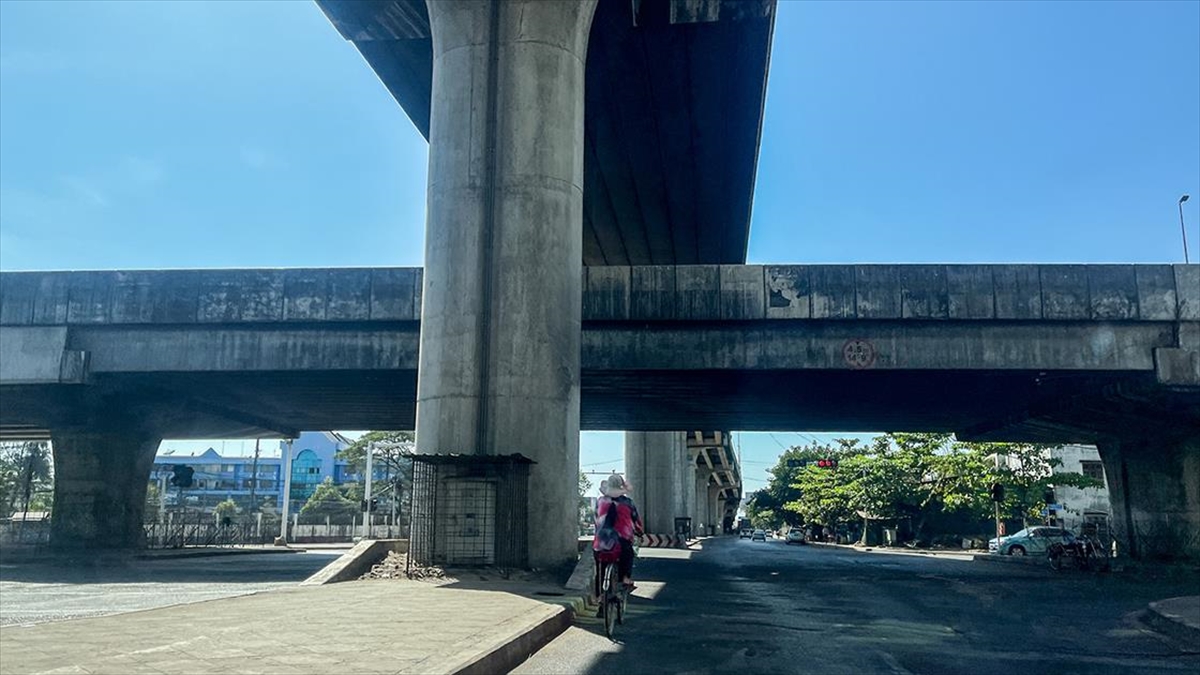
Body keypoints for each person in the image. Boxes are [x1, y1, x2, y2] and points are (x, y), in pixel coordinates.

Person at [592, 473, 644, 590]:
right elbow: (636, 521)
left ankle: (598, 597)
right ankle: (625, 578)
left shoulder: (600, 501)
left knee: (600, 571)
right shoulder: (628, 503)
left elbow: (596, 519)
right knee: (628, 555)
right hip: (622, 542)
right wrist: (640, 532)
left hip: (601, 543)